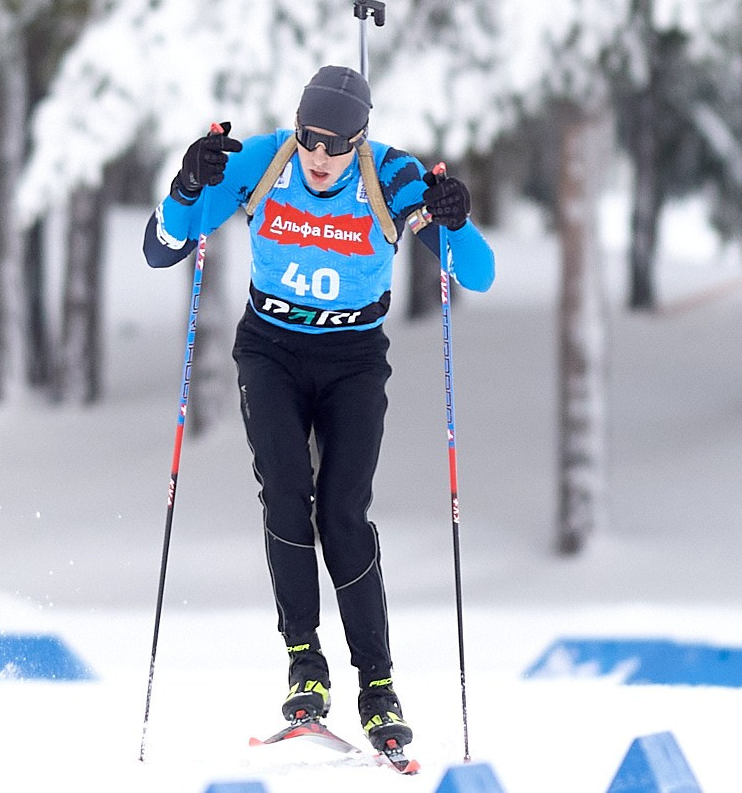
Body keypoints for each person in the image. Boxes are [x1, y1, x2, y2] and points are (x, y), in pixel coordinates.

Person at [144, 65, 495, 755]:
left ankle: (378, 686)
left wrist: (455, 216)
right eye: (310, 138)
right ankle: (305, 663)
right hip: (271, 348)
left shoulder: (390, 177)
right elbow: (162, 247)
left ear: (361, 138)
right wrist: (188, 184)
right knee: (283, 491)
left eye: (336, 144)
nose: (320, 157)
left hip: (352, 360)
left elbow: (478, 272)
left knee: (341, 509)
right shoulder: (263, 162)